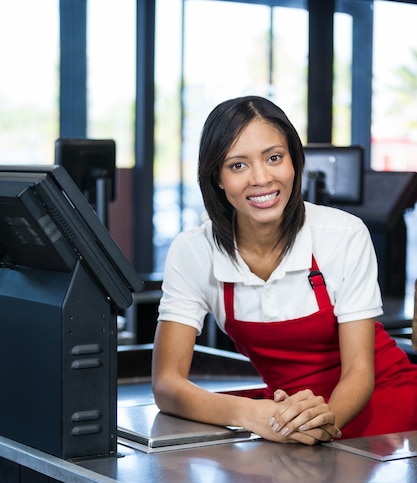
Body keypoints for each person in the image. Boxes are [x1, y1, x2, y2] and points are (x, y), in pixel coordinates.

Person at [152, 95, 417, 445]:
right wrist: (247, 413)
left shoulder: (343, 234)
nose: (261, 178)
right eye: (237, 165)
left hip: (378, 404)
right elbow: (167, 384)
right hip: (286, 415)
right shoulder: (194, 251)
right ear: (216, 177)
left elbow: (359, 372)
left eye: (274, 158)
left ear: (294, 160)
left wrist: (323, 421)